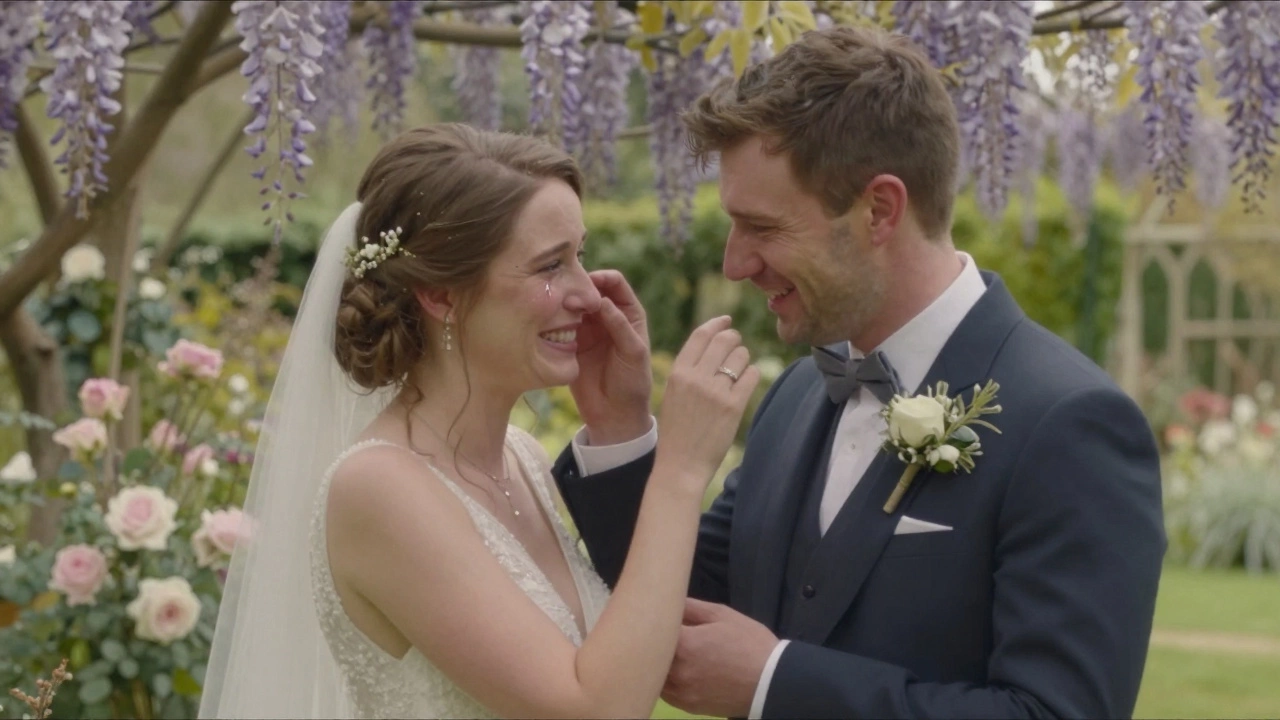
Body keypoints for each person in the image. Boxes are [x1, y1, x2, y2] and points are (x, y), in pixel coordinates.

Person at [552, 25, 1166, 719]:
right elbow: (684, 599)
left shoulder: (1069, 423)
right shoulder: (797, 395)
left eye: (762, 227)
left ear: (879, 210)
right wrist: (620, 427)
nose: (734, 263)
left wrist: (775, 684)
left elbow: (1054, 712)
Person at [199, 123, 760, 718]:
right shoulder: (378, 489)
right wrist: (681, 469)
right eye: (550, 266)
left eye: (580, 256)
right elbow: (595, 708)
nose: (589, 295)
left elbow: (629, 648)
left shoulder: (521, 458)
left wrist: (622, 425)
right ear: (440, 294)